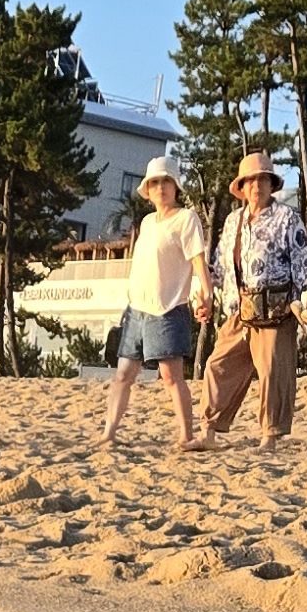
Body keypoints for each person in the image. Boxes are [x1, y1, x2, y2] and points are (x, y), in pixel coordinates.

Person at [196, 153, 307, 450]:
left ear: (271, 184)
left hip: (276, 309)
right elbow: (221, 267)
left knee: (272, 371)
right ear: (242, 186)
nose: (257, 185)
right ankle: (209, 431)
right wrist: (203, 293)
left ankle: (270, 435)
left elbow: (303, 256)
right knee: (218, 365)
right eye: (251, 180)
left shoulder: (287, 217)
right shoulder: (232, 222)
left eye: (263, 179)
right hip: (240, 308)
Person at [100, 156, 210, 452]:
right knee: (123, 374)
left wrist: (206, 293)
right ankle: (109, 432)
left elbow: (198, 261)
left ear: (176, 187)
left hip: (168, 308)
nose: (160, 187)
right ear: (147, 189)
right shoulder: (148, 222)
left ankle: (186, 435)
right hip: (136, 309)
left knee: (171, 376)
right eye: (155, 182)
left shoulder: (186, 219)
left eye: (166, 181)